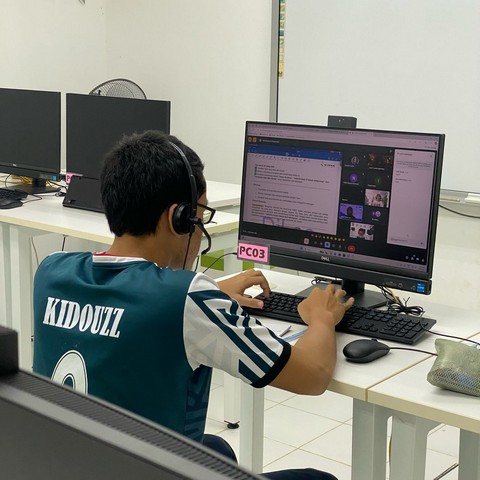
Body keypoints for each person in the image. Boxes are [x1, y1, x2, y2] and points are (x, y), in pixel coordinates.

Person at [33, 130, 353, 480]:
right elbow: (312, 376)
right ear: (178, 218)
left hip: (75, 465)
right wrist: (322, 318)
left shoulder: (51, 271)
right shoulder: (188, 298)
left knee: (216, 450)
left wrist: (209, 294)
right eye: (200, 216)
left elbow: (126, 307)